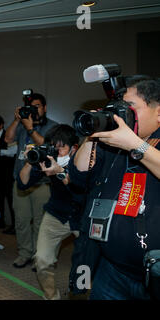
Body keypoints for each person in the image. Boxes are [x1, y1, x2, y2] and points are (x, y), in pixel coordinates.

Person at [69, 79, 160, 300]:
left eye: (130, 108)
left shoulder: (132, 142)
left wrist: (135, 144)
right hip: (111, 268)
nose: (122, 115)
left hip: (156, 274)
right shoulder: (114, 144)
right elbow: (79, 174)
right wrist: (93, 133)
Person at [17, 124, 83, 300]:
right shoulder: (50, 160)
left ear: (74, 148)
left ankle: (82, 295)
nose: (57, 152)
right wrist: (30, 161)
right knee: (42, 260)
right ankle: (52, 297)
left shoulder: (84, 161)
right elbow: (23, 184)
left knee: (84, 265)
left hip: (82, 216)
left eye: (61, 148)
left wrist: (60, 172)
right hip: (56, 214)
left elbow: (79, 191)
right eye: (54, 147)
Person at [4, 93, 58, 268]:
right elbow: (7, 139)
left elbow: (47, 146)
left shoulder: (52, 126)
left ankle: (38, 256)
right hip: (20, 182)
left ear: (45, 107)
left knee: (41, 222)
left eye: (38, 106)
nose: (34, 110)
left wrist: (30, 129)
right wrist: (17, 120)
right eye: (31, 107)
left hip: (42, 182)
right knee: (21, 221)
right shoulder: (22, 124)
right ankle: (24, 253)